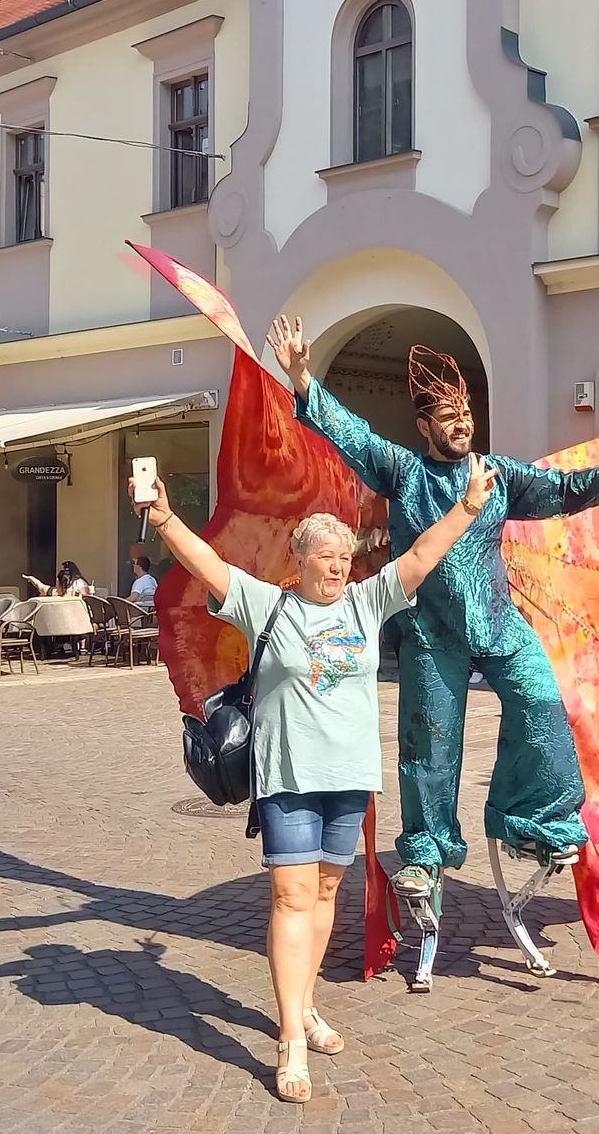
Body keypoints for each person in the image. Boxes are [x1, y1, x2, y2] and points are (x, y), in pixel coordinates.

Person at [273, 314, 599, 899]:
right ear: (424, 426)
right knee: (429, 746)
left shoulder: (497, 476)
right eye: (448, 417)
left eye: (465, 414)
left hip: (498, 621)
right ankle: (425, 852)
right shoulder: (404, 472)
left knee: (541, 703)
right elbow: (353, 434)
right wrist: (303, 378)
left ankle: (532, 819)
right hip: (430, 634)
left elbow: (564, 490)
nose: (462, 423)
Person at [137, 455, 493, 1103]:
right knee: (291, 898)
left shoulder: (367, 601)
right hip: (288, 777)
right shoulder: (267, 606)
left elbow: (422, 556)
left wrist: (467, 507)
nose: (336, 566)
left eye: (344, 556)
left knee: (326, 893)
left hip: (349, 777)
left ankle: (304, 1005)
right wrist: (164, 519)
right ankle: (289, 1040)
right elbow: (207, 565)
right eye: (324, 556)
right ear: (298, 560)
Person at [22, 561, 90, 598]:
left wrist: (31, 578)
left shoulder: (54, 592)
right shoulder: (79, 585)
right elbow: (86, 596)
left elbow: (39, 586)